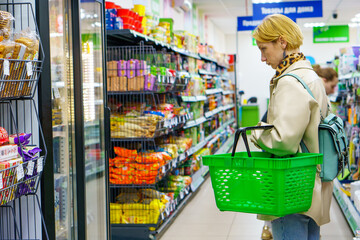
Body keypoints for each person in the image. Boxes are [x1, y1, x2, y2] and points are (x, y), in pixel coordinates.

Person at [250, 14, 332, 240]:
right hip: (311, 182)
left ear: (282, 42)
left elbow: (284, 141)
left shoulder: (289, 81)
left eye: (264, 49)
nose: (262, 58)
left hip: (291, 185)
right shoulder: (310, 76)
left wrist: (257, 132)